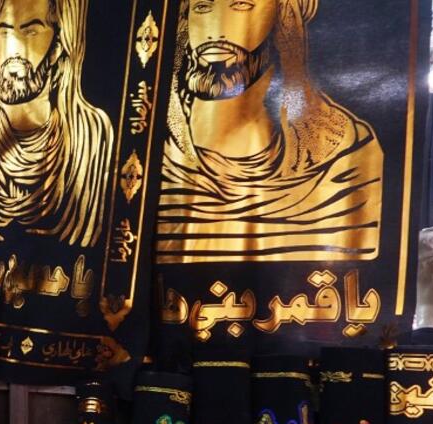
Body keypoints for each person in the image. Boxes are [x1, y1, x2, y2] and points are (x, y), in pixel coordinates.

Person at [157, 0, 384, 264]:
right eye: (203, 8)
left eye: (241, 5)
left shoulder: (346, 150)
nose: (216, 29)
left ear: (282, 19)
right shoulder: (153, 151)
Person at [0, 0, 113, 248]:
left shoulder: (92, 133)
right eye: (5, 30)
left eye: (31, 32)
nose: (14, 50)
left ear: (58, 45)